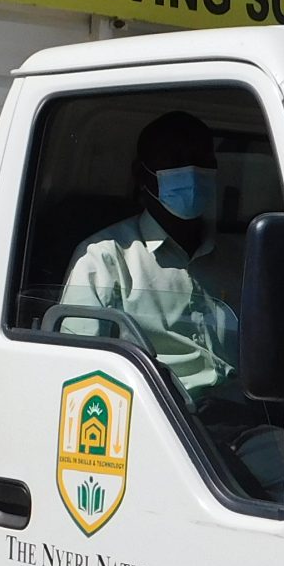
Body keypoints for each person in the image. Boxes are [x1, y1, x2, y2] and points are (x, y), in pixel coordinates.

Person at [61, 110, 240, 408]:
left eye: (202, 161)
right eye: (174, 161)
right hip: (159, 422)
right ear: (141, 174)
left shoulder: (242, 257)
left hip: (247, 419)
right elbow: (79, 372)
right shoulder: (103, 259)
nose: (191, 171)